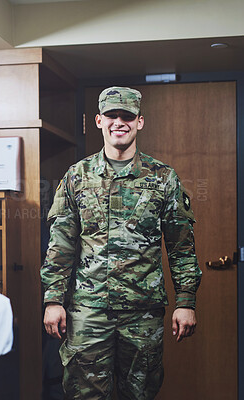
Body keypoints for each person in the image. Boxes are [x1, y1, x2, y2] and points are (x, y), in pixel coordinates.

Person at [41, 86, 202, 400]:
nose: (119, 122)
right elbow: (61, 245)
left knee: (140, 394)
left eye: (127, 116)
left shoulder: (163, 178)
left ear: (139, 122)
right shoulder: (77, 176)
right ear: (99, 120)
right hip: (89, 312)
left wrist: (186, 302)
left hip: (142, 314)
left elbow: (181, 246)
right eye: (112, 115)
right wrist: (53, 299)